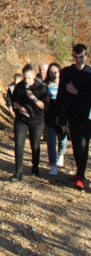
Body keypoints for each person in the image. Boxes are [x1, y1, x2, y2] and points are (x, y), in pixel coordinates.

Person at [55, 44, 91, 190]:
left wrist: (77, 92)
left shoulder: (90, 73)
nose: (78, 60)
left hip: (87, 115)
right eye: (75, 57)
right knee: (76, 143)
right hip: (71, 113)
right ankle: (79, 172)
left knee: (83, 144)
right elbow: (61, 94)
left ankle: (81, 177)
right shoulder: (68, 72)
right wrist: (57, 113)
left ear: (86, 56)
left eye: (81, 57)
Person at [9, 64, 49, 182]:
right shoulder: (19, 87)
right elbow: (14, 101)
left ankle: (35, 168)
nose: (26, 80)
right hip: (22, 120)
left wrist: (34, 98)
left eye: (29, 78)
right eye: (24, 77)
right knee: (19, 144)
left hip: (37, 121)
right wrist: (19, 108)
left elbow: (44, 106)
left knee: (35, 145)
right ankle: (18, 171)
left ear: (33, 76)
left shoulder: (40, 87)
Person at [44, 63, 66, 176]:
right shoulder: (45, 85)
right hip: (50, 115)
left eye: (55, 71)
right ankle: (53, 165)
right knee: (51, 139)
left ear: (60, 72)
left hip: (62, 114)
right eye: (51, 72)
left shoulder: (65, 85)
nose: (53, 74)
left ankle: (61, 154)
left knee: (62, 136)